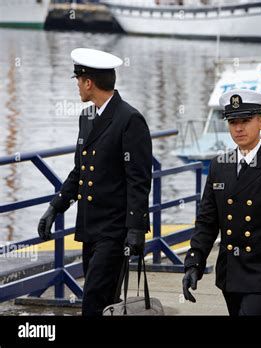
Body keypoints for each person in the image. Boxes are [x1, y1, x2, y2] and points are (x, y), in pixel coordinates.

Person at [37, 48, 152, 316]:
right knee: (100, 300)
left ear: (89, 82)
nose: (77, 85)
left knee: (94, 300)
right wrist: (56, 206)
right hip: (89, 227)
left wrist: (136, 228)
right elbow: (80, 171)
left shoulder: (129, 119)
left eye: (78, 79)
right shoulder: (87, 117)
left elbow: (139, 179)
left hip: (114, 231)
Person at [182, 89, 261, 316]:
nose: (239, 128)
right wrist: (194, 262)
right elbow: (207, 221)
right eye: (233, 122)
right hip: (231, 275)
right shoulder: (220, 166)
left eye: (246, 120)